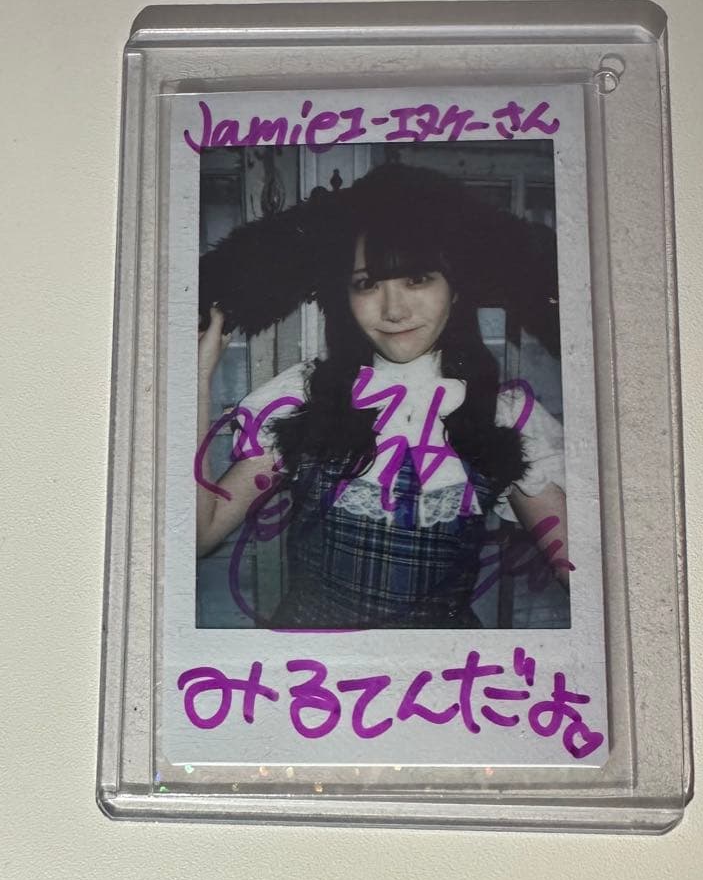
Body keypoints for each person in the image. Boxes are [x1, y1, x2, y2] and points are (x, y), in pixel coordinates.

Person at [196, 163, 569, 629]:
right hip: (312, 667)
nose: (393, 310)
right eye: (367, 284)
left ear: (456, 290)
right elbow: (202, 533)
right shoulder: (304, 396)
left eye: (417, 279)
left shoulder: (505, 415)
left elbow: (588, 579)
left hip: (441, 672)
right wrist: (198, 376)